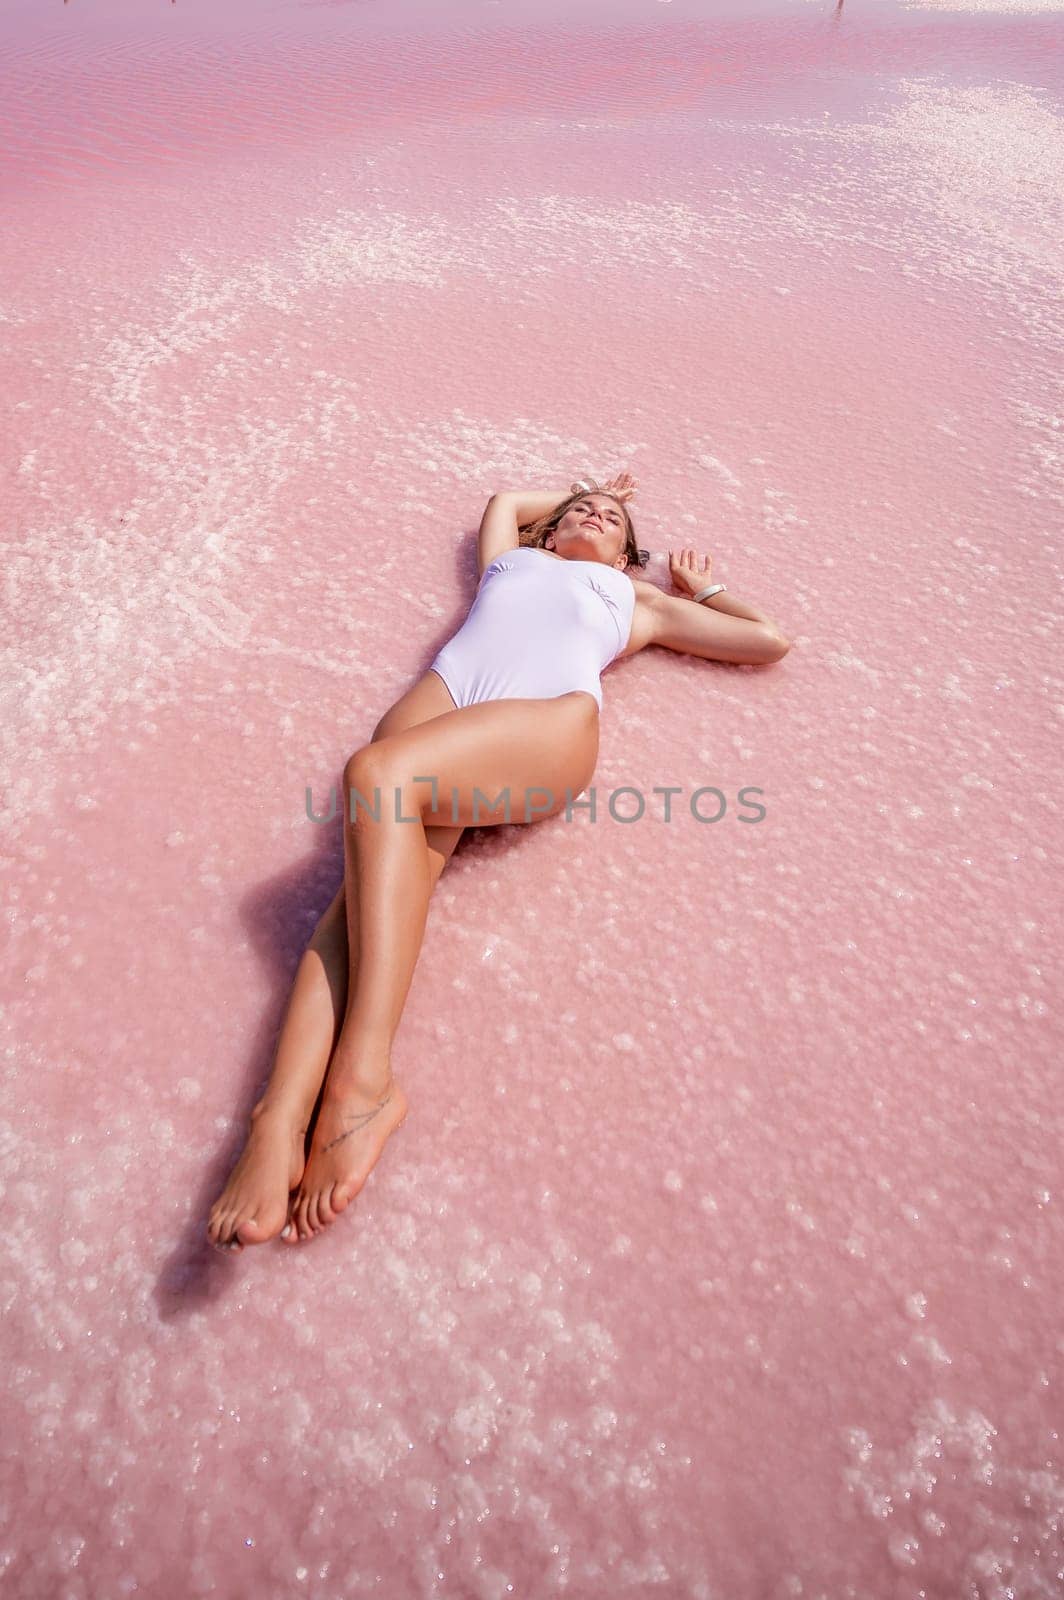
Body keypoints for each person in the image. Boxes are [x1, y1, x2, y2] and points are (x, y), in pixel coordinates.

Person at [207, 471, 790, 1251]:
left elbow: (767, 641)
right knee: (353, 911)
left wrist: (705, 586)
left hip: (544, 725)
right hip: (446, 702)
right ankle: (276, 1119)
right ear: (546, 532)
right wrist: (578, 487)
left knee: (375, 774)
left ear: (626, 559)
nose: (595, 516)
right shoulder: (507, 561)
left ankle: (363, 1079)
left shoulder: (639, 604)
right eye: (581, 511)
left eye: (613, 520)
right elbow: (505, 505)